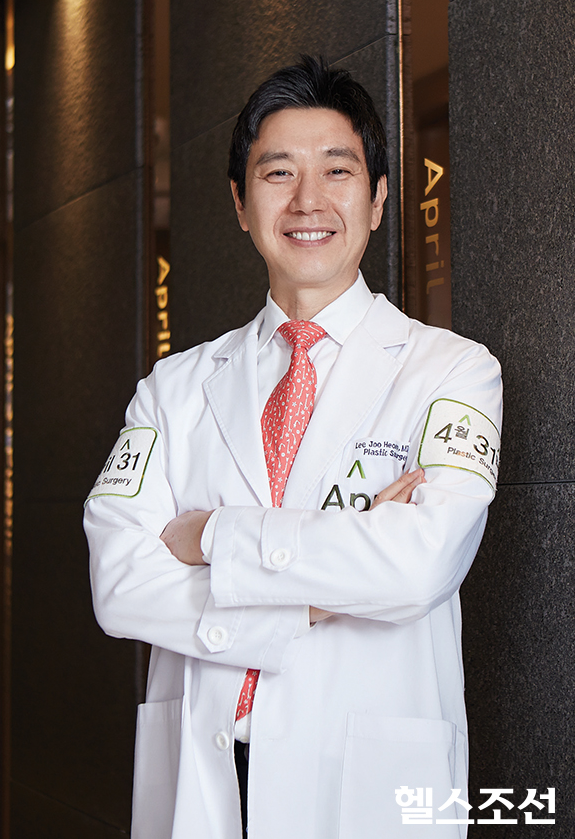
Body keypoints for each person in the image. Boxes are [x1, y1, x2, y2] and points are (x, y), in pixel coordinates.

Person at [84, 56, 502, 839]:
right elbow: (119, 583)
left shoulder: (452, 372)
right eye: (278, 173)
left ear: (379, 198)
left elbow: (419, 563)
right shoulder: (172, 389)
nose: (308, 200)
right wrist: (317, 594)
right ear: (240, 204)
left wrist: (214, 536)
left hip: (365, 783)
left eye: (337, 171)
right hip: (206, 775)